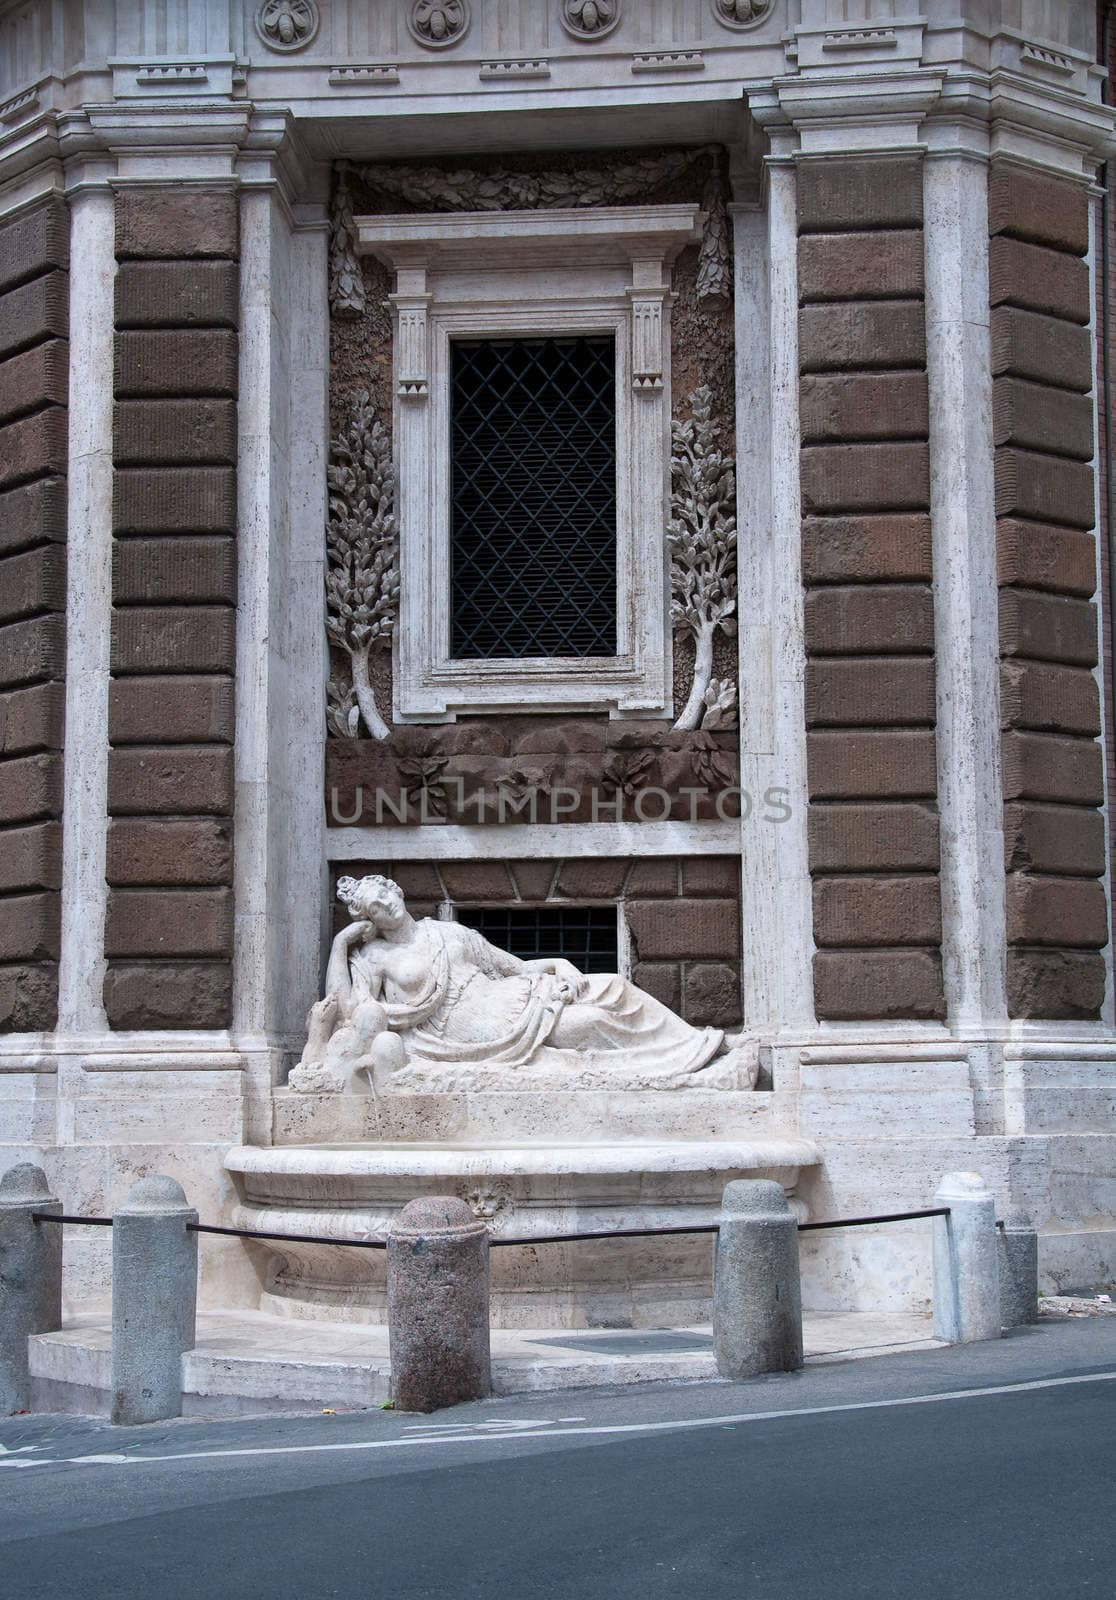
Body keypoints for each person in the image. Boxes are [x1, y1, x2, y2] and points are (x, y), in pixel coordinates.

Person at [289, 873, 758, 1094]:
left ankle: (706, 1046)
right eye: (372, 908)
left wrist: (559, 965)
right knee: (591, 1022)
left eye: (385, 896)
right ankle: (690, 1070)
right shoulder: (374, 958)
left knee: (614, 984)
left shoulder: (448, 932)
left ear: (398, 892)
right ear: (367, 918)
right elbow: (350, 1012)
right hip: (477, 1035)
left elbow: (514, 965)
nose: (384, 908)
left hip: (514, 998)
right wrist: (340, 945)